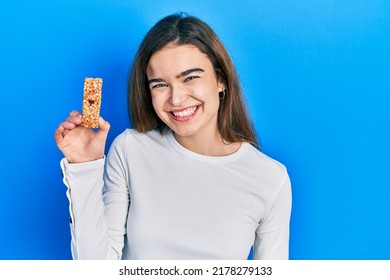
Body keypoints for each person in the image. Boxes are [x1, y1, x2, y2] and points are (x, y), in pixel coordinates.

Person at [54, 13, 292, 260]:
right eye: (159, 84)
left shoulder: (270, 179)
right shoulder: (130, 149)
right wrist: (83, 168)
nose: (176, 99)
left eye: (190, 78)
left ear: (220, 79)